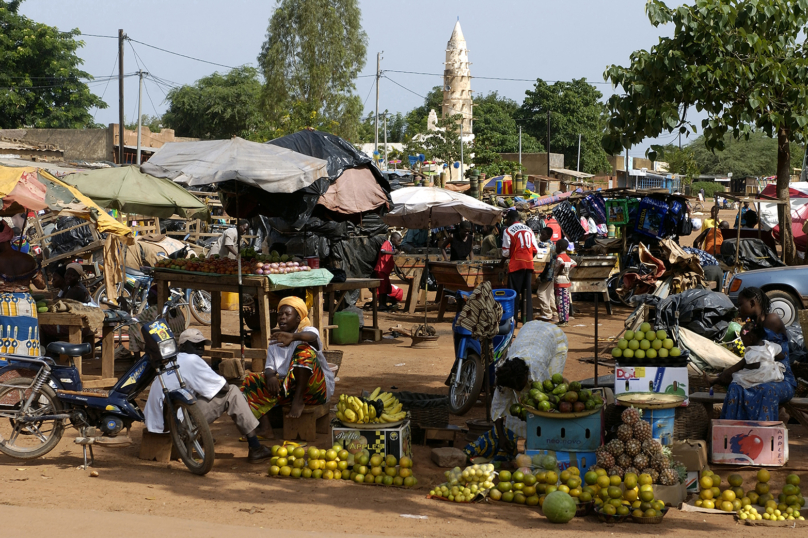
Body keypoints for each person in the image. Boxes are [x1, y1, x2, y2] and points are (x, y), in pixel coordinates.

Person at [143, 329, 272, 463]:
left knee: (198, 393)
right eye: (195, 345)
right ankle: (255, 447)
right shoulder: (191, 360)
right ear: (182, 346)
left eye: (201, 345)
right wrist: (222, 376)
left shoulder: (169, 360)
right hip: (177, 426)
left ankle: (201, 437)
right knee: (232, 392)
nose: (200, 348)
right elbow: (224, 388)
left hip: (156, 424)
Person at [464, 322, 568, 463]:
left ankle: (538, 443)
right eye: (515, 389)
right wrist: (501, 437)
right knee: (518, 404)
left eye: (520, 387)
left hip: (554, 338)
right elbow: (497, 408)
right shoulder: (505, 374)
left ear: (526, 377)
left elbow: (543, 404)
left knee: (547, 399)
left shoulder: (538, 372)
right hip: (529, 330)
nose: (518, 391)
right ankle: (513, 439)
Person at [241, 297, 335, 438]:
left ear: (298, 318)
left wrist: (293, 337)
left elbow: (312, 337)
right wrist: (270, 375)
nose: (282, 318)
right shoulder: (275, 339)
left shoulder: (307, 331)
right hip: (289, 389)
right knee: (250, 381)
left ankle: (298, 399)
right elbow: (270, 367)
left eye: (287, 314)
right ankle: (265, 428)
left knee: (304, 350)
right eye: (280, 314)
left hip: (316, 390)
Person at [710, 287, 796, 420]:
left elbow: (758, 356)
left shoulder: (771, 320)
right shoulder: (753, 325)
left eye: (740, 304)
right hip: (759, 377)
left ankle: (763, 434)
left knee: (765, 390)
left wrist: (727, 374)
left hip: (781, 379)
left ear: (752, 303)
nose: (738, 308)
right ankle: (734, 433)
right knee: (735, 388)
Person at [0, 221, 46, 359]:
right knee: (26, 344)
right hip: (25, 305)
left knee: (3, 345)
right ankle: (26, 376)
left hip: (2, 305)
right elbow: (41, 285)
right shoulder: (28, 260)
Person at [502, 211, 538, 324]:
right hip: (528, 264)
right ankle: (527, 319)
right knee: (527, 293)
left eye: (507, 219)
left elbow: (506, 252)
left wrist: (501, 262)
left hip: (516, 264)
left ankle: (512, 320)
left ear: (511, 219)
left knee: (514, 293)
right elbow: (535, 249)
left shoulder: (508, 231)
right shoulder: (529, 229)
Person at [372, 231, 402, 311]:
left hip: (385, 271)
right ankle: (382, 305)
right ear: (392, 239)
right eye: (398, 240)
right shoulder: (387, 243)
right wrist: (392, 253)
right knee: (382, 288)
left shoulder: (392, 246)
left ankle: (384, 303)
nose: (399, 242)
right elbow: (382, 251)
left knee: (386, 287)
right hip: (381, 269)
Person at [534, 227, 556, 322]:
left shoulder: (544, 244)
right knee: (549, 293)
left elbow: (537, 245)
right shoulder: (553, 244)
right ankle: (555, 313)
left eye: (542, 234)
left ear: (548, 235)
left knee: (540, 293)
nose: (540, 236)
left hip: (547, 272)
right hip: (552, 272)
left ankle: (547, 313)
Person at [553, 239, 576, 326]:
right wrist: (567, 271)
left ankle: (562, 321)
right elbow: (574, 263)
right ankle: (565, 319)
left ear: (559, 247)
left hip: (560, 280)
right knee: (565, 300)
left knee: (560, 301)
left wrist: (559, 272)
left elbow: (561, 264)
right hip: (566, 279)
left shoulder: (559, 257)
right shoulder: (567, 257)